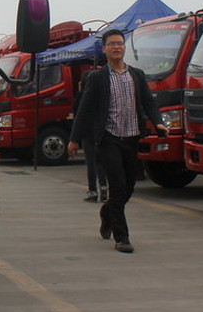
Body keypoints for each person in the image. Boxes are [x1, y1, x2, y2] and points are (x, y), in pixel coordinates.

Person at [67, 30, 168, 253]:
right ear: (104, 49)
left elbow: (149, 102)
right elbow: (84, 109)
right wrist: (74, 139)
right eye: (112, 44)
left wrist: (159, 123)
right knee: (118, 185)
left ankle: (107, 212)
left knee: (129, 187)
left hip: (131, 137)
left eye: (120, 44)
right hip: (108, 139)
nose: (116, 47)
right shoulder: (98, 78)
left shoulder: (137, 75)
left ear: (124, 48)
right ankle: (122, 237)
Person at [74, 70, 108, 202]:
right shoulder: (103, 95)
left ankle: (92, 191)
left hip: (87, 132)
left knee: (91, 161)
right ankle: (104, 187)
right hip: (101, 130)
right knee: (101, 161)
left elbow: (77, 112)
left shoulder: (83, 96)